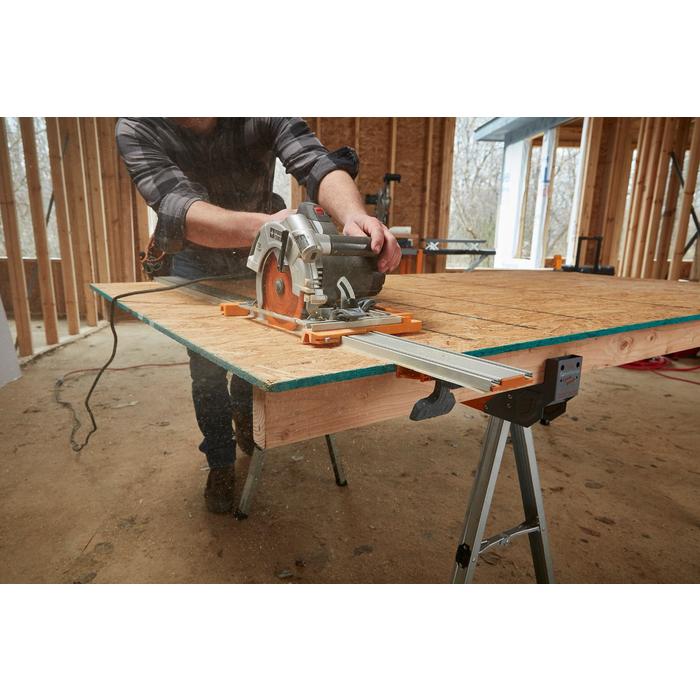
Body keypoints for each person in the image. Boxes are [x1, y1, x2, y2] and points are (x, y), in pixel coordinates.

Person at [116, 118, 401, 514]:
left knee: (253, 352)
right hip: (199, 256)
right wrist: (268, 226)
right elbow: (179, 209)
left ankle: (246, 421)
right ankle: (220, 461)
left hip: (266, 252)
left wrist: (354, 216)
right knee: (208, 371)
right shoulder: (138, 126)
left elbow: (315, 162)